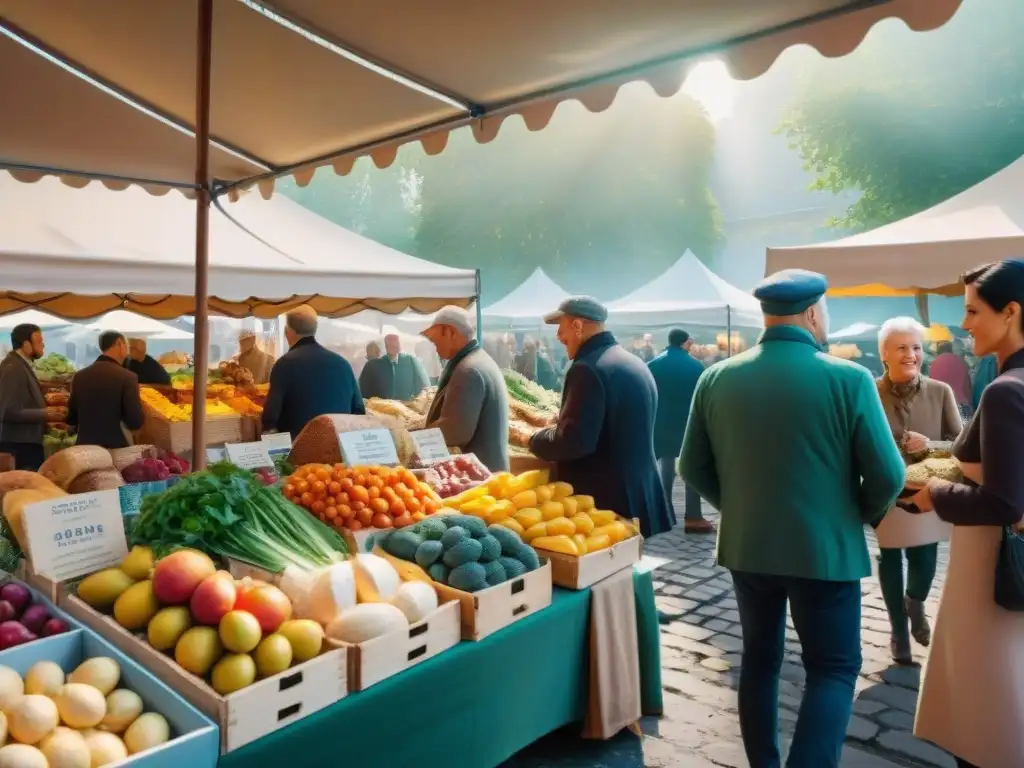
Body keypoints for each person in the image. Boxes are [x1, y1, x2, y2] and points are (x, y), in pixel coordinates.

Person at [679, 269, 905, 768]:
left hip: (749, 547)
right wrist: (858, 516)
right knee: (833, 668)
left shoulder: (716, 376)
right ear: (811, 313)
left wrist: (738, 508)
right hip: (825, 550)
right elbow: (889, 474)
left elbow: (690, 466)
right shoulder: (849, 378)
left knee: (759, 661)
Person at [909, 260, 1024, 768]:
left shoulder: (1005, 390)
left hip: (991, 566)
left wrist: (935, 492)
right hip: (1005, 563)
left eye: (974, 311)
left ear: (1012, 311)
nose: (966, 323)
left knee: (985, 719)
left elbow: (1003, 500)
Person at [530, 298, 672, 538]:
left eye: (561, 327)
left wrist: (531, 439)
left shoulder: (587, 367)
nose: (558, 336)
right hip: (636, 491)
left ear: (577, 326)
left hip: (605, 499)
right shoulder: (632, 361)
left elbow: (574, 442)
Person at [873, 317, 962, 664]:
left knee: (924, 559)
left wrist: (931, 445)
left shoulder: (941, 391)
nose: (911, 355)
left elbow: (960, 445)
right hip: (883, 493)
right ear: (884, 353)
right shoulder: (869, 391)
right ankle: (898, 632)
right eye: (901, 348)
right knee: (890, 558)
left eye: (916, 347)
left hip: (926, 495)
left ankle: (915, 602)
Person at [421, 307, 509, 472]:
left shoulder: (469, 370)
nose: (435, 346)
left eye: (436, 340)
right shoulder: (477, 360)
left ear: (451, 332)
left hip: (482, 475)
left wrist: (413, 438)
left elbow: (455, 432)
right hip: (488, 470)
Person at [647, 329, 712, 534]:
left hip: (661, 424)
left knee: (665, 467)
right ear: (687, 342)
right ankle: (693, 516)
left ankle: (664, 514)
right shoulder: (696, 366)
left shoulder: (653, 364)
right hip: (687, 424)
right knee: (691, 469)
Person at [262, 306, 364, 438]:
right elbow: (359, 409)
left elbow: (270, 417)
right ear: (314, 330)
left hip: (299, 450)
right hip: (338, 447)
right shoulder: (343, 364)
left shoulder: (284, 364)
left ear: (288, 331)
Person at [0, 324, 64, 469]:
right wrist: (47, 414)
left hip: (26, 443)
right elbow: (9, 412)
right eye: (39, 341)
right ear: (26, 344)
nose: (43, 345)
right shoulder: (13, 368)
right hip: (19, 446)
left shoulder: (20, 364)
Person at [67, 332, 144, 449]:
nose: (128, 350)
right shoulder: (128, 377)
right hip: (114, 449)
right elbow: (135, 421)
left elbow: (72, 418)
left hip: (84, 447)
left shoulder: (79, 376)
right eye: (126, 345)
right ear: (119, 343)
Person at [929, 339, 973, 418]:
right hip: (960, 403)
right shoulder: (961, 361)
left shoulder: (934, 363)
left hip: (940, 404)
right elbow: (968, 384)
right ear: (951, 349)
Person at [382, 334, 429, 401]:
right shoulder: (380, 363)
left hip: (408, 404)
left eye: (398, 345)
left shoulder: (410, 360)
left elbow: (421, 382)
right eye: (393, 346)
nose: (397, 348)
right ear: (386, 347)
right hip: (387, 405)